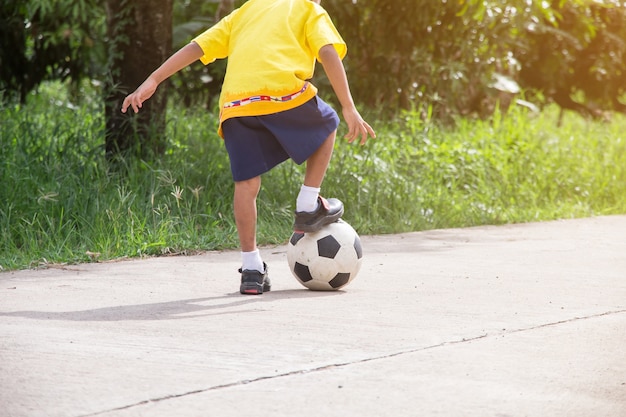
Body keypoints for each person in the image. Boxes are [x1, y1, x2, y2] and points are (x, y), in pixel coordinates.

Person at [121, 0, 376, 295]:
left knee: (246, 185)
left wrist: (153, 79)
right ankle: (308, 203)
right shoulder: (308, 8)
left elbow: (197, 47)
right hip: (281, 92)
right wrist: (348, 107)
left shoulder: (246, 10)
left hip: (236, 106)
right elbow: (327, 51)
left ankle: (251, 269)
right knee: (328, 123)